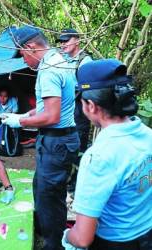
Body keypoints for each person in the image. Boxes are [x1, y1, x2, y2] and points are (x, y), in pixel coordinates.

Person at [2, 25, 80, 249]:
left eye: (23, 55)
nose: (23, 61)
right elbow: (51, 105)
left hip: (57, 140)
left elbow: (52, 116)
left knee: (48, 196)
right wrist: (25, 114)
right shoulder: (59, 60)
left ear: (31, 47)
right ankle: (49, 230)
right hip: (60, 140)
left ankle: (53, 243)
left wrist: (21, 122)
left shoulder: (48, 70)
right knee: (43, 188)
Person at [62, 59, 152, 250]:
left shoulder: (98, 158)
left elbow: (83, 238)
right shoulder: (148, 135)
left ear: (91, 106)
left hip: (115, 243)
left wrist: (68, 235)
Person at [57, 28, 92, 192]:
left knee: (78, 151)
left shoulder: (85, 62)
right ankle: (66, 183)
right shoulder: (61, 60)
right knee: (64, 150)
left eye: (66, 40)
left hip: (79, 113)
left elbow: (87, 90)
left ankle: (76, 186)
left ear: (77, 40)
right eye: (61, 41)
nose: (63, 44)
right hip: (64, 114)